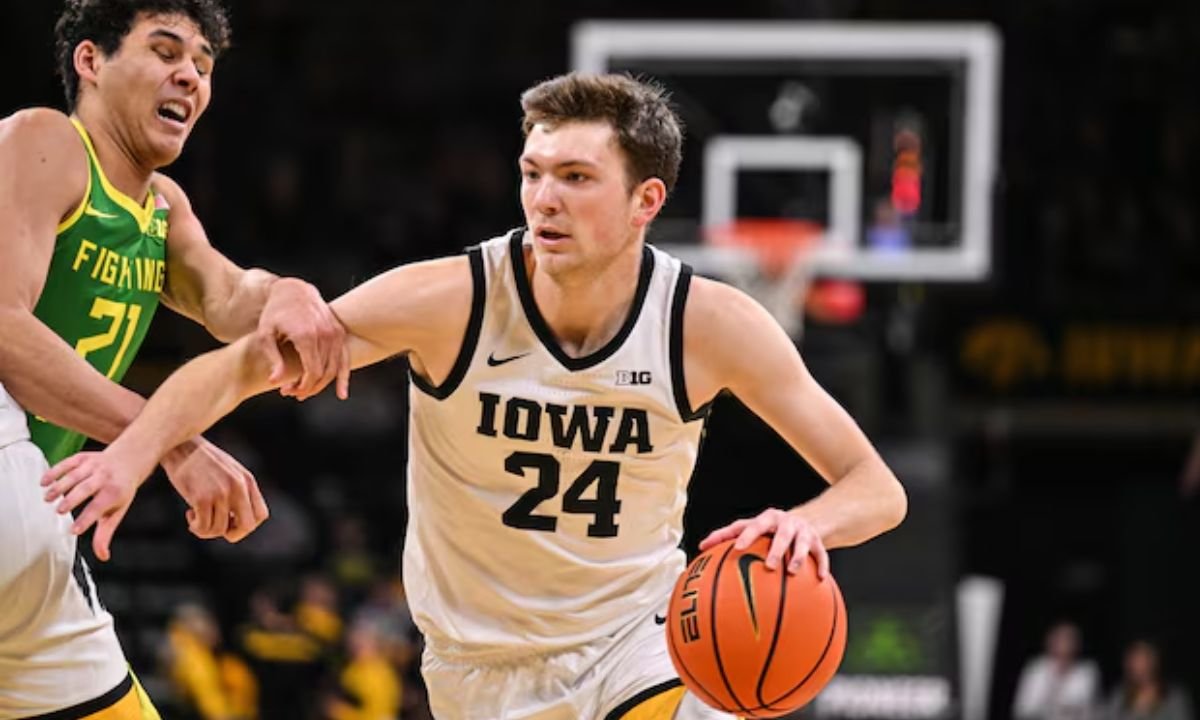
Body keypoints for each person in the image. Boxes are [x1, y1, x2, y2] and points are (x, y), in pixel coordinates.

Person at [44, 72, 908, 719]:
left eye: (576, 177)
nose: (544, 199)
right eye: (534, 173)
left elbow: (877, 489)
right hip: (479, 670)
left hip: (639, 645)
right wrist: (133, 455)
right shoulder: (454, 301)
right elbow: (241, 366)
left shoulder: (708, 323)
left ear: (646, 199)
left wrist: (807, 524)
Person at [0, 1, 349, 717]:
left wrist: (287, 293)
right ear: (91, 61)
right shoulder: (46, 141)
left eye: (203, 65)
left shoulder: (161, 207)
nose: (189, 75)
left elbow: (228, 295)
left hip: (31, 507)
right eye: (165, 52)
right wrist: (170, 442)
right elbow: (3, 325)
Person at [1012, 621, 1101, 720]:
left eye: (1070, 640)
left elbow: (1081, 706)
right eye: (1060, 639)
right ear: (1050, 642)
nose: (1065, 645)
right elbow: (1024, 708)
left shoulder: (1087, 671)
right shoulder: (1037, 668)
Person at [1103, 639, 1194, 720]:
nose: (1134, 665)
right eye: (1131, 659)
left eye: (1140, 659)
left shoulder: (1174, 696)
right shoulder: (1120, 694)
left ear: (1153, 661)